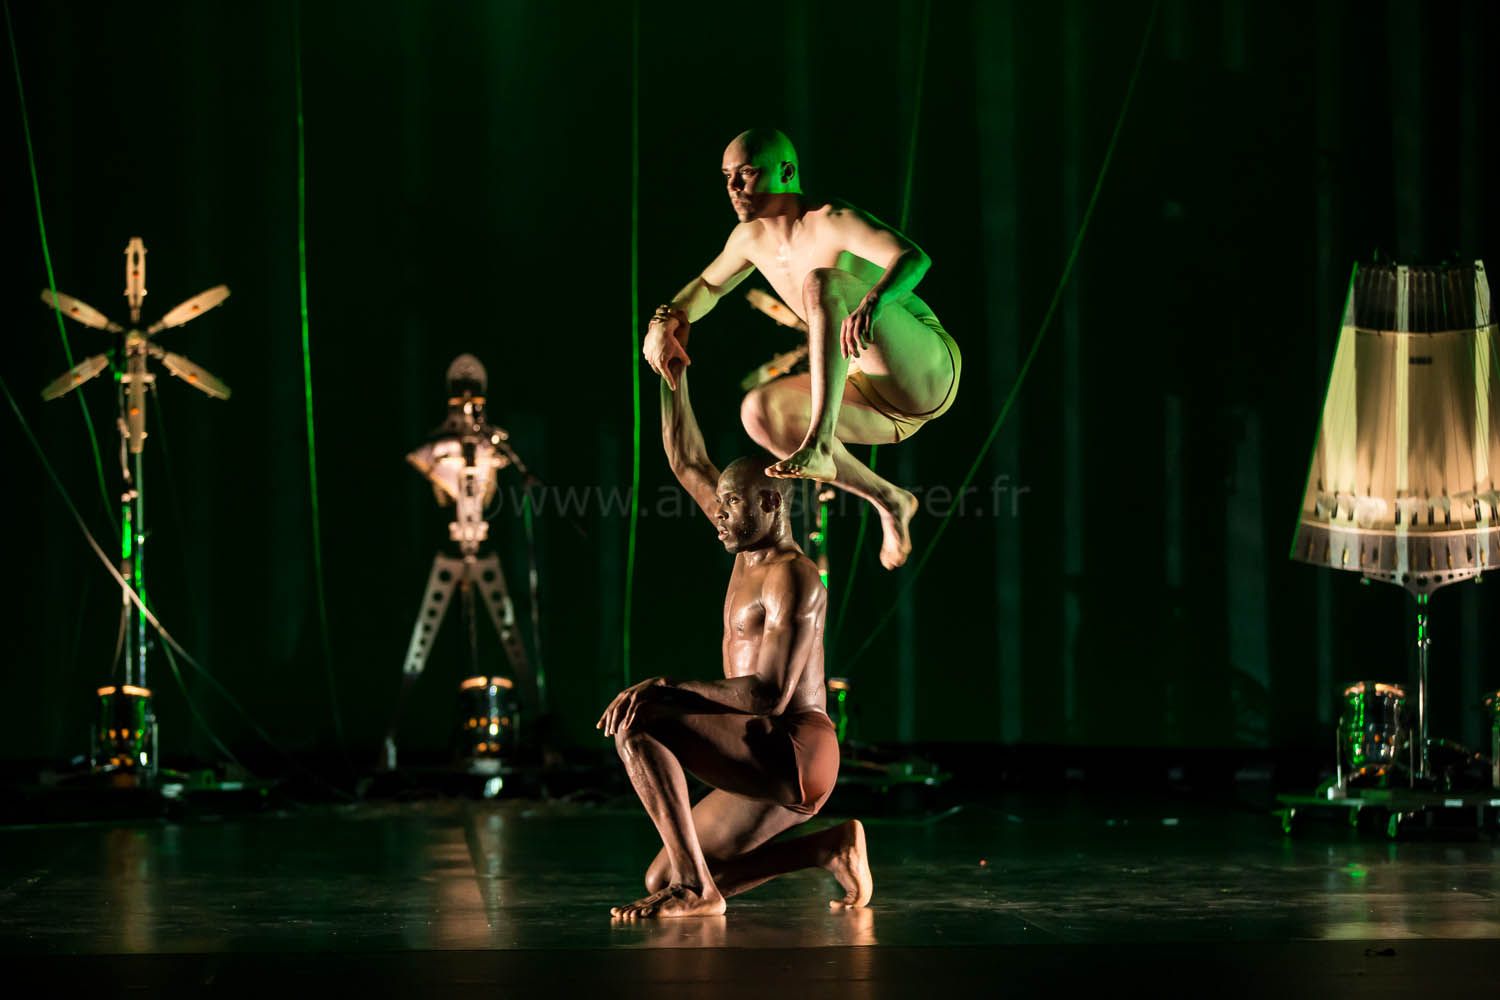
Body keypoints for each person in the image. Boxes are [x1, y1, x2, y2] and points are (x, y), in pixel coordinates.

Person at [597, 360, 873, 919]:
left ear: (770, 503)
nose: (719, 516)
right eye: (719, 504)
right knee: (663, 872)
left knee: (641, 718)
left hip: (794, 750)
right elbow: (685, 459)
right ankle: (828, 848)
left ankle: (697, 893)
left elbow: (769, 694)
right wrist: (672, 371)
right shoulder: (745, 543)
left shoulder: (793, 575)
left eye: (731, 505)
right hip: (758, 746)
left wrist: (668, 686)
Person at [641, 127, 961, 570]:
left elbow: (914, 258)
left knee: (822, 282)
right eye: (728, 176)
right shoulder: (749, 239)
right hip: (873, 400)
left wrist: (874, 299)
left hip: (925, 370)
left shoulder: (830, 219)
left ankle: (821, 442)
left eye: (747, 173)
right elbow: (707, 287)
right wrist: (665, 321)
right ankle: (889, 500)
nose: (734, 187)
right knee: (758, 411)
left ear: (787, 173)